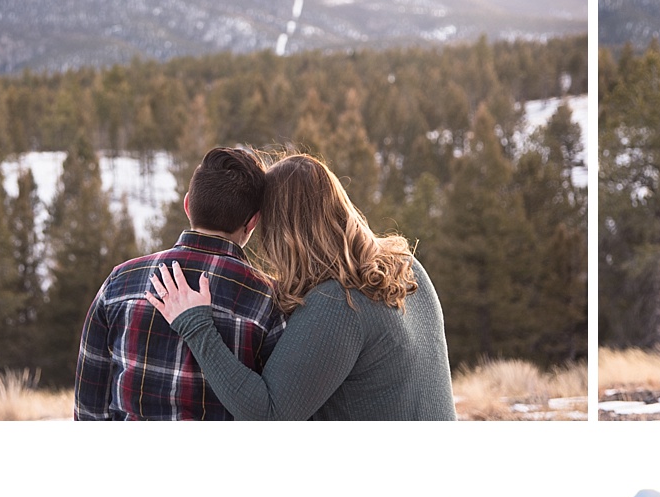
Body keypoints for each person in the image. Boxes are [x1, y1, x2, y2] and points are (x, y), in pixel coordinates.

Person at [146, 152, 456, 419]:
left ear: (282, 231)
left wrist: (197, 327)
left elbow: (268, 414)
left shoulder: (340, 303)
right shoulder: (405, 265)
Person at [73, 147, 283, 419]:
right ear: (253, 222)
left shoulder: (119, 283)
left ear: (187, 205)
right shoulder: (269, 300)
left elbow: (88, 409)